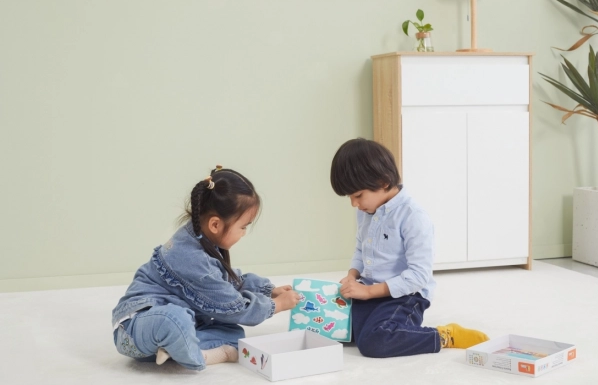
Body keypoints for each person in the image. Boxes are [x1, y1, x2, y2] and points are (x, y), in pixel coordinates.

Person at [111, 165, 300, 371]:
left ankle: (179, 348)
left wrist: (268, 290)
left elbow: (227, 282)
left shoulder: (202, 239)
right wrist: (276, 306)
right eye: (243, 227)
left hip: (165, 333)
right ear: (215, 225)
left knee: (232, 332)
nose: (244, 233)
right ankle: (196, 354)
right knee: (175, 319)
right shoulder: (190, 257)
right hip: (136, 328)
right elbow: (231, 306)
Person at [330, 138, 489, 358]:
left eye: (358, 196)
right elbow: (360, 248)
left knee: (375, 342)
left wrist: (367, 291)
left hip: (404, 296)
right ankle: (372, 323)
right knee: (331, 327)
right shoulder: (366, 211)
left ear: (383, 181)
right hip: (369, 292)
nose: (354, 204)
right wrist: (352, 275)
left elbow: (418, 276)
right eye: (350, 197)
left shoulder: (413, 217)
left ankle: (443, 335)